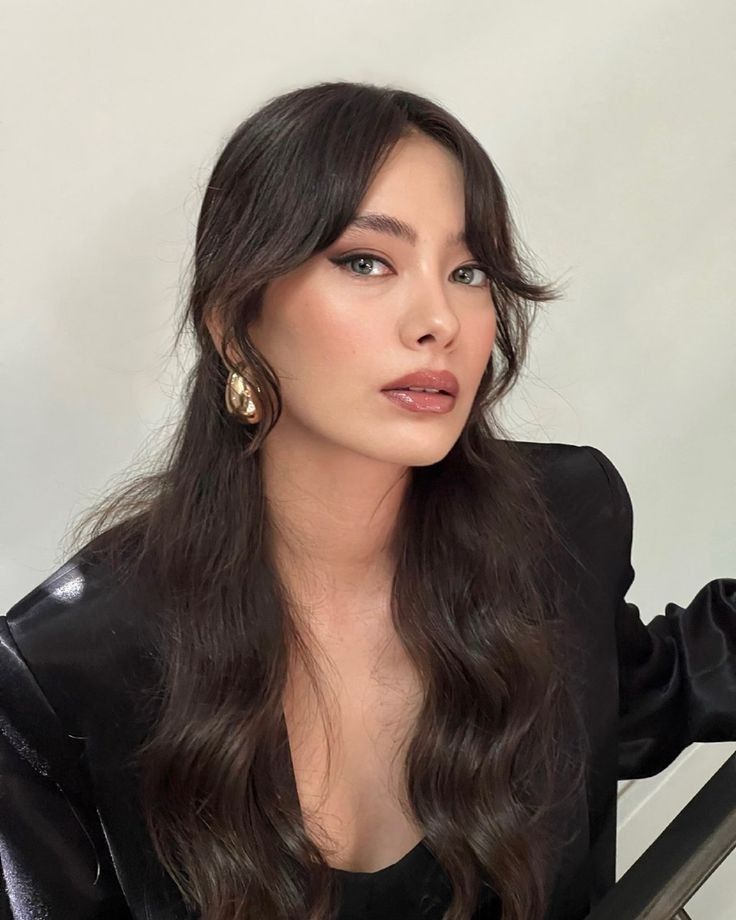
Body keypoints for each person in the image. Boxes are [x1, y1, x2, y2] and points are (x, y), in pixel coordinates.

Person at [0, 80, 734, 920]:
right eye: (366, 262)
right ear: (234, 321)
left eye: (467, 271)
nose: (438, 319)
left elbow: (638, 696)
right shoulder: (60, 679)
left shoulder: (558, 524)